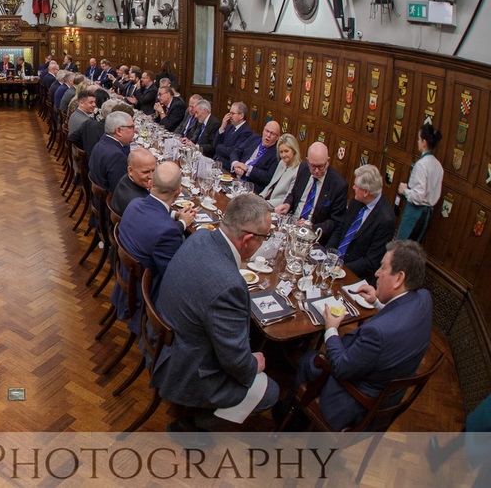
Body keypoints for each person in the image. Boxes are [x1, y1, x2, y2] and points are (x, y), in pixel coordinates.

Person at [152, 193, 280, 430]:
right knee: (270, 392)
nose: (265, 242)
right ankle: (193, 426)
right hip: (186, 369)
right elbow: (235, 362)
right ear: (248, 240)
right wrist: (253, 364)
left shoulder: (201, 235)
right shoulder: (229, 286)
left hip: (166, 342)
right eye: (265, 237)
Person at [288, 240, 432, 431]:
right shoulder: (424, 298)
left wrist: (331, 328)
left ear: (399, 278)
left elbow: (339, 367)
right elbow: (398, 317)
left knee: (308, 360)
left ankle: (292, 423)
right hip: (386, 392)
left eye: (383, 268)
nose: (376, 274)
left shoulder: (378, 333)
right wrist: (378, 301)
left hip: (354, 403)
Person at [118, 162, 196, 306]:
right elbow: (173, 277)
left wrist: (177, 216)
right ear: (178, 192)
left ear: (151, 183)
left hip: (127, 275)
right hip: (148, 291)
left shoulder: (134, 203)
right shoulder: (168, 232)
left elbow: (154, 225)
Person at [327, 165, 397, 285]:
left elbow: (371, 262)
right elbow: (341, 229)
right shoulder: (357, 200)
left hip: (354, 276)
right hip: (333, 265)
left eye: (356, 186)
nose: (353, 187)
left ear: (365, 192)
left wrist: (340, 269)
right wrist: (327, 255)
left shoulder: (386, 219)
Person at [274, 142, 348, 245]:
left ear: (328, 161)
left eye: (321, 166)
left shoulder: (338, 185)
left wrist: (311, 227)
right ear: (308, 161)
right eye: (313, 166)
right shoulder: (303, 168)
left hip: (312, 237)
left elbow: (335, 222)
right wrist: (287, 204)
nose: (317, 171)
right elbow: (294, 193)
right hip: (291, 226)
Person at [396, 124, 444, 242]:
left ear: (424, 142)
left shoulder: (422, 165)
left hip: (415, 214)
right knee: (413, 247)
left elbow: (418, 196)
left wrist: (405, 191)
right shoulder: (438, 165)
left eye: (419, 139)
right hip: (426, 215)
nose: (417, 141)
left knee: (402, 247)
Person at [89, 111, 136, 194]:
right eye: (132, 127)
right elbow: (121, 190)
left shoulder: (103, 141)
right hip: (109, 203)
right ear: (118, 131)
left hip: (98, 197)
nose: (135, 130)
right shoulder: (117, 156)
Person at [231, 120, 281, 193]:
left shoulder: (277, 154)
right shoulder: (254, 138)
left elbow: (268, 177)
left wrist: (248, 169)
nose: (268, 135)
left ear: (277, 137)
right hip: (235, 178)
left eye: (272, 133)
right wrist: (236, 164)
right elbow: (236, 151)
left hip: (251, 188)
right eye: (267, 131)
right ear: (263, 130)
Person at [110, 147, 157, 217]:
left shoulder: (126, 179)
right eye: (146, 172)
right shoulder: (138, 203)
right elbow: (159, 224)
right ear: (130, 170)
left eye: (153, 171)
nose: (151, 176)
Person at [260, 133, 301, 207]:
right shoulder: (282, 162)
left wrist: (266, 204)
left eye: (286, 151)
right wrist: (260, 197)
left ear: (294, 150)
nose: (283, 155)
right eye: (281, 152)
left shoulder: (298, 171)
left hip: (277, 207)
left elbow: (286, 199)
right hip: (266, 202)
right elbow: (271, 185)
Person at [213, 102, 257, 171]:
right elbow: (215, 144)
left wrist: (219, 147)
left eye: (232, 113)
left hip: (227, 167)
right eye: (229, 113)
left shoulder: (246, 132)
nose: (230, 116)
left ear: (241, 116)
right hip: (217, 162)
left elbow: (233, 151)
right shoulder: (230, 127)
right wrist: (222, 128)